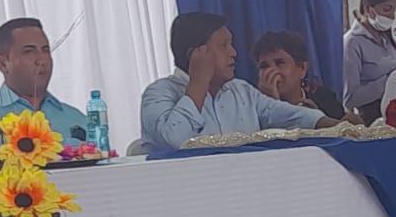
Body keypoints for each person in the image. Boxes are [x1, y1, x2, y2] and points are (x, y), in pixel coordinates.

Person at [140, 12, 345, 153]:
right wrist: (199, 81)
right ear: (196, 54)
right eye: (224, 45)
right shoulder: (159, 93)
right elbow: (175, 141)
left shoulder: (241, 91)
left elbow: (291, 116)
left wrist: (340, 128)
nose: (233, 53)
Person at [0, 17, 90, 168]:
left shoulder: (76, 118)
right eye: (28, 52)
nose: (41, 60)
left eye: (45, 50)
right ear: (3, 64)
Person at [342, 0, 396, 123]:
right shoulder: (352, 43)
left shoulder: (386, 38)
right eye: (387, 9)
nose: (392, 16)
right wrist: (389, 81)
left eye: (394, 9)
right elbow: (349, 98)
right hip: (374, 120)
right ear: (368, 8)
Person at [251, 30, 350, 121]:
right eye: (264, 66)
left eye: (280, 63)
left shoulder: (324, 99)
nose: (271, 71)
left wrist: (318, 119)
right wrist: (272, 106)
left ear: (302, 68)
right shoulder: (251, 109)